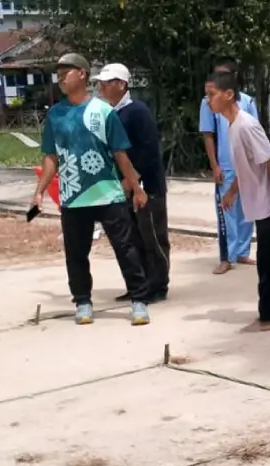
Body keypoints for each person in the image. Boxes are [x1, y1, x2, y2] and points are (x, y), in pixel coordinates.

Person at [32, 53, 152, 327]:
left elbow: (120, 154)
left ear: (83, 74)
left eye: (66, 72)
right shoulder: (55, 115)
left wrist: (136, 187)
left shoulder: (104, 111)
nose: (60, 77)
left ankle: (139, 300)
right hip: (73, 195)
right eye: (58, 73)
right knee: (75, 252)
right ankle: (83, 301)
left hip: (107, 191)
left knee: (125, 247)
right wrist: (39, 191)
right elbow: (51, 157)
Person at [208, 71, 270, 333]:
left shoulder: (246, 125)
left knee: (268, 261)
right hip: (263, 200)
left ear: (229, 95)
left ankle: (268, 317)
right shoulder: (231, 126)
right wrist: (233, 191)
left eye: (211, 94)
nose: (208, 100)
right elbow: (246, 166)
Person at [95, 63, 170, 304]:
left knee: (153, 237)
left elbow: (148, 150)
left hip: (147, 187)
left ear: (122, 84)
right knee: (133, 238)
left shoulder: (137, 111)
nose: (101, 87)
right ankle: (140, 284)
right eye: (100, 83)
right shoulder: (110, 113)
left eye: (106, 83)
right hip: (122, 187)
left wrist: (133, 180)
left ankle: (158, 285)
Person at [200, 60, 260, 274]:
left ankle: (242, 251)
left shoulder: (247, 101)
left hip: (245, 163)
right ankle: (226, 256)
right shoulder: (209, 102)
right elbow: (208, 134)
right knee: (226, 211)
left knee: (247, 209)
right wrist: (214, 165)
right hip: (225, 164)